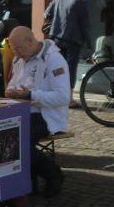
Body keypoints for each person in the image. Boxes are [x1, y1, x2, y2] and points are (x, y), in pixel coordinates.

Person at [5, 26, 69, 198]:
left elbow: (63, 97)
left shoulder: (54, 60)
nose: (16, 53)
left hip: (46, 114)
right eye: (13, 49)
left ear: (30, 41)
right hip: (23, 111)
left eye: (19, 48)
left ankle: (53, 174)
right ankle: (25, 182)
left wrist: (31, 95)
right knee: (0, 134)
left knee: (20, 143)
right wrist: (11, 91)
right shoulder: (19, 59)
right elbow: (13, 83)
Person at [43, 0, 91, 101]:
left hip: (57, 38)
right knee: (71, 68)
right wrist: (90, 44)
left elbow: (46, 13)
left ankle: (57, 94)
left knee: (59, 68)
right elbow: (85, 25)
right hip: (73, 40)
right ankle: (69, 98)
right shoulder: (81, 1)